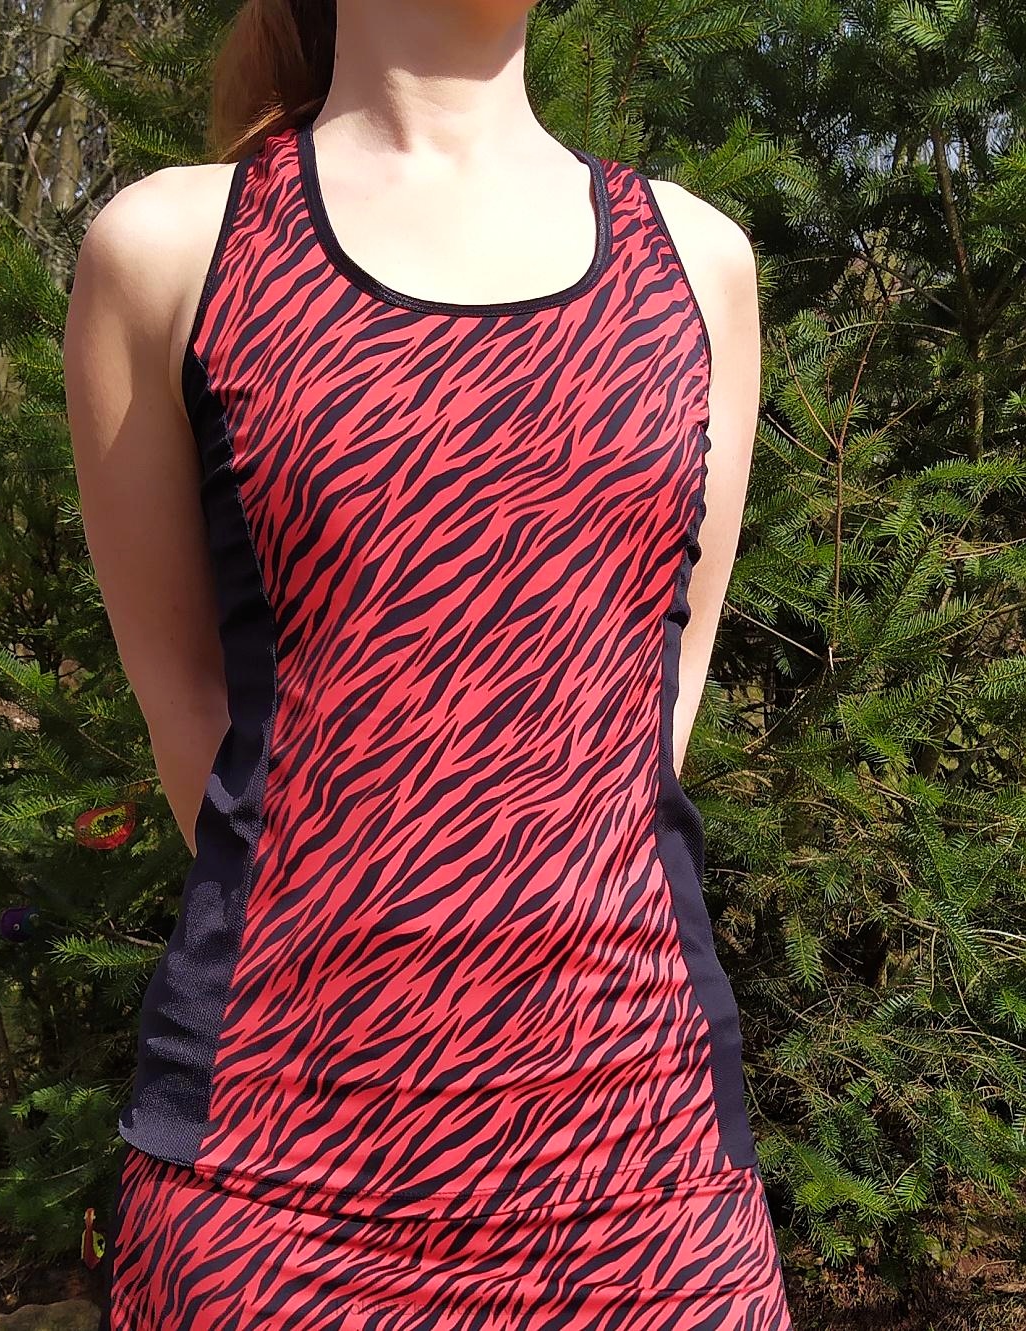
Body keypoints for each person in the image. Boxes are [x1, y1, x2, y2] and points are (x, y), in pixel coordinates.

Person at [63, 1, 793, 1326]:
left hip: (650, 1177)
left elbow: (655, 702)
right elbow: (194, 717)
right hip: (272, 1192)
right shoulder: (172, 252)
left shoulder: (698, 266)